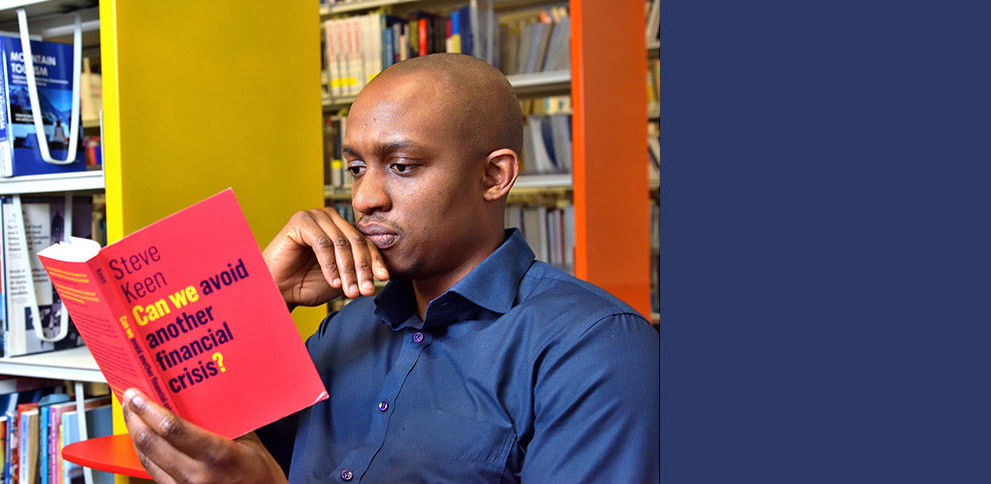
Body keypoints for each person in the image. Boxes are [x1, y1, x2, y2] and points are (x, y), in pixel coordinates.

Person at [119, 53, 659, 483]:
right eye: (356, 168)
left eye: (402, 166)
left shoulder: (596, 349)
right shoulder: (343, 331)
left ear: (494, 177)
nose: (366, 198)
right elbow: (203, 440)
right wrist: (256, 300)